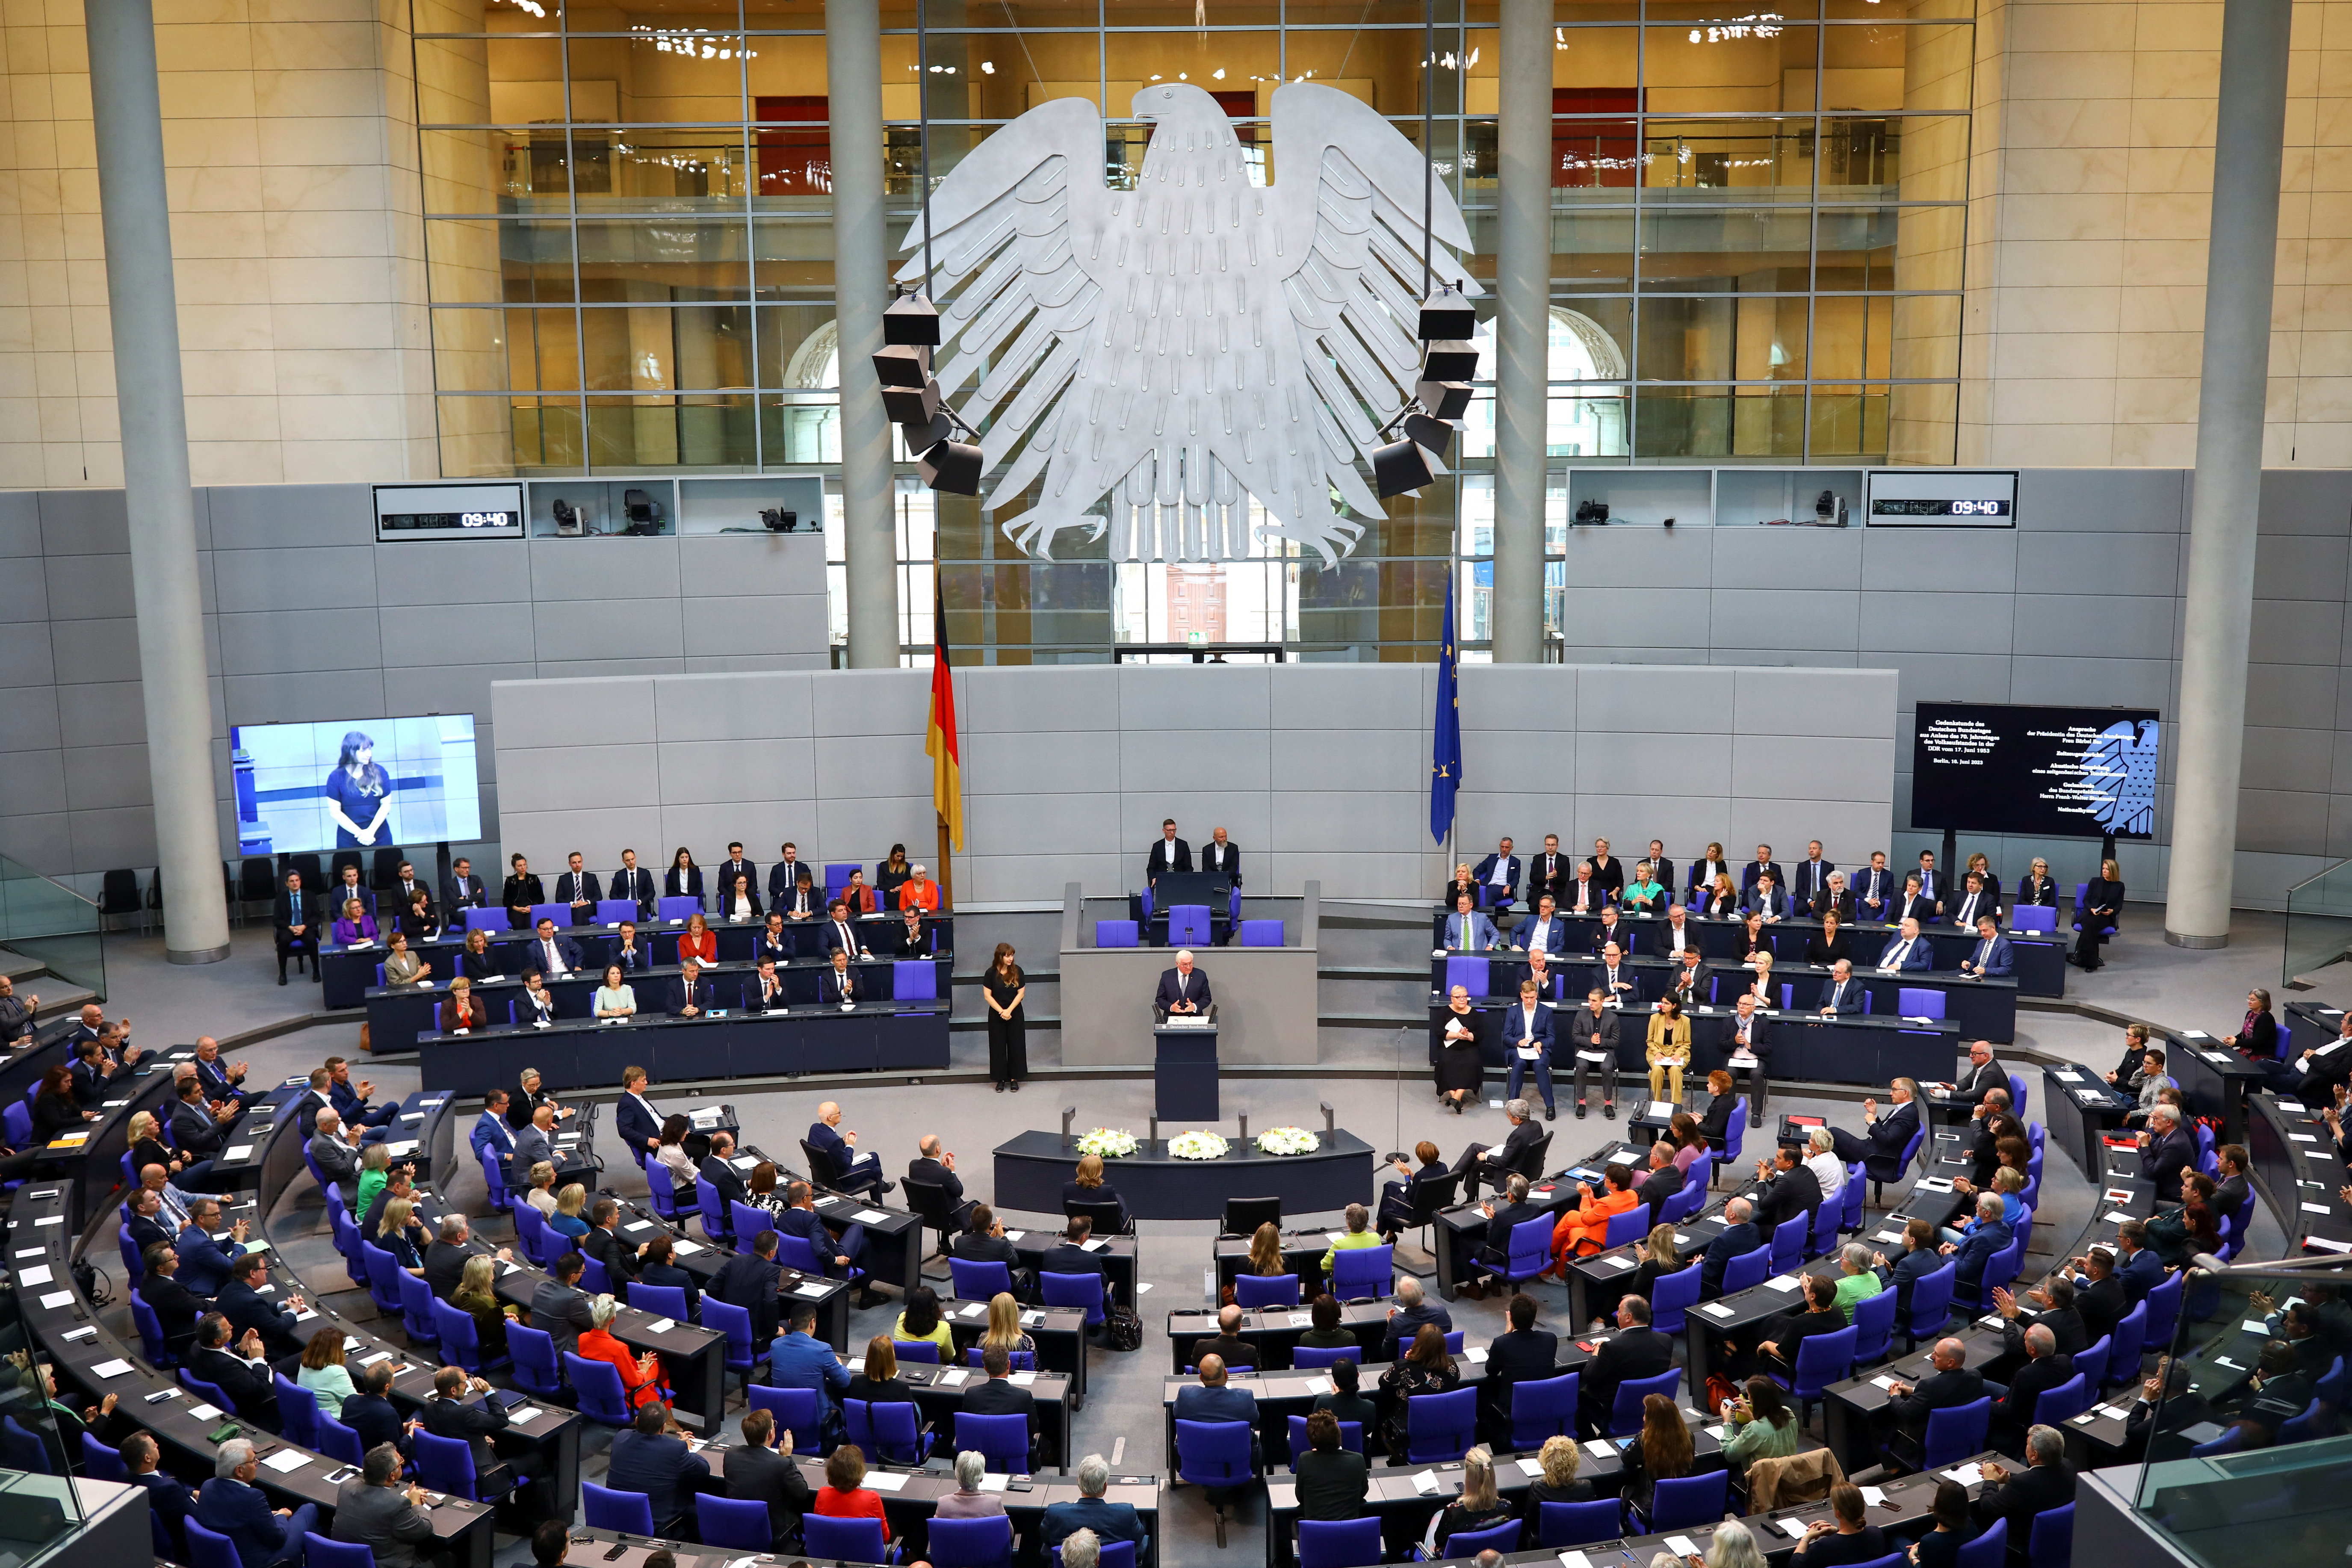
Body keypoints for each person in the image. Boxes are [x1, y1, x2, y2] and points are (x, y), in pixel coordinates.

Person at [200, 1437, 320, 1568]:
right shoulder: (252, 1497)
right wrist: (281, 1516)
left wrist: (266, 1515)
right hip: (261, 1561)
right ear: (239, 1471)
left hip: (225, 1558)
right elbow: (278, 1540)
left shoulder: (207, 1486)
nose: (257, 1464)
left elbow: (235, 1514)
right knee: (309, 1509)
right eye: (253, 1461)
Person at [333, 1442, 437, 1568]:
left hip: (348, 1561)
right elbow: (425, 1530)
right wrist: (415, 1503)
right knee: (446, 1557)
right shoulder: (397, 1504)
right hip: (384, 1564)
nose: (402, 1463)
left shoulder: (346, 1486)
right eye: (401, 1462)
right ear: (392, 1475)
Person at [1579, 1295, 1672, 1435]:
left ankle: (1588, 1441)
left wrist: (1597, 1353)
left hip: (1617, 1409)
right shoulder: (1666, 1340)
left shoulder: (1613, 1348)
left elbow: (1590, 1376)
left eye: (1619, 1311)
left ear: (1628, 1317)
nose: (1617, 1315)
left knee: (1577, 1393)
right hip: (1653, 1407)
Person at [1970, 1424, 2075, 1543]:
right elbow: (2038, 1480)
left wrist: (1990, 1480)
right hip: (2061, 1535)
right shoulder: (2069, 1466)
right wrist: (2009, 1477)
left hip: (2025, 1539)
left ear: (2035, 1455)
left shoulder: (2022, 1484)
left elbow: (1988, 1506)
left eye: (2028, 1444)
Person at [1041, 1453, 1152, 1559]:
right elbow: (1139, 1537)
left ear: (1079, 1482)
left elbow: (1046, 1539)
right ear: (1105, 1486)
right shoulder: (1126, 1514)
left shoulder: (1055, 1513)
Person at [1481, 1290, 1559, 1435]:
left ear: (1510, 1317)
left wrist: (1506, 1335)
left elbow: (1490, 1370)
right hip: (1545, 1406)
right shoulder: (1551, 1339)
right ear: (1535, 1317)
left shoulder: (1502, 1343)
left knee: (1482, 1400)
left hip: (1513, 1409)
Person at [1377, 1323, 1462, 1454]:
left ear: (1418, 1345)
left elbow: (1383, 1382)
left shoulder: (1403, 1368)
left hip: (1408, 1431)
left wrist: (1409, 1360)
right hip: (1443, 1427)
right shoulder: (1451, 1365)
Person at [1753, 1273, 1849, 1381]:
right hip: (1831, 1366)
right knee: (1780, 1319)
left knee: (1767, 1337)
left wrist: (1766, 1345)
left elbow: (1783, 1354)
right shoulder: (1839, 1313)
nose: (1806, 1289)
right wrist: (1806, 1287)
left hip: (1800, 1373)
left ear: (1813, 1296)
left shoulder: (1800, 1323)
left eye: (1808, 1288)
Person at [1421, 1445, 1513, 1555]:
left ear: (1468, 1476)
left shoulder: (1453, 1511)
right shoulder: (1507, 1507)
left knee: (1438, 1515)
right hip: (1490, 1558)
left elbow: (1439, 1541)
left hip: (1453, 1561)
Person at [1550, 1161, 1640, 1268]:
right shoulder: (1632, 1194)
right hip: (1616, 1232)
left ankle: (1560, 1274)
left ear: (1615, 1184)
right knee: (1571, 1216)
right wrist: (1592, 1200)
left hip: (1599, 1240)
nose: (1604, 1179)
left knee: (1570, 1233)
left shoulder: (1606, 1203)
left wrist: (1584, 1197)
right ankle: (1551, 1251)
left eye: (1606, 1178)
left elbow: (1586, 1219)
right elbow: (1610, 1209)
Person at [964, 1345, 1043, 1466]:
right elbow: (1034, 1429)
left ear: (985, 1368)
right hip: (1015, 1462)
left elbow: (968, 1428)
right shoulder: (1023, 1396)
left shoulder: (971, 1394)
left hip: (979, 1463)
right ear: (1009, 1365)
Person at [1454, 1096, 1542, 1201]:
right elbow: (1522, 1147)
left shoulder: (1518, 1135)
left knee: (1475, 1163)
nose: (1508, 1117)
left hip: (1512, 1171)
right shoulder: (1537, 1125)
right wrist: (1506, 1149)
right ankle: (1452, 1178)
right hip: (1527, 1166)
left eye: (1509, 1116)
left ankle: (1462, 1192)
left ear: (1517, 1118)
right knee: (1475, 1147)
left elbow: (1503, 1162)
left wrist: (1487, 1157)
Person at [1717, 1375, 1802, 1475]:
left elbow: (1730, 1455)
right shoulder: (1788, 1413)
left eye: (1748, 1395)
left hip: (1764, 1483)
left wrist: (1727, 1422)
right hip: (1788, 1476)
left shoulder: (1754, 1429)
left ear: (1754, 1399)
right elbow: (1770, 1426)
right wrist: (1750, 1415)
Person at [1790, 1482, 1887, 1567]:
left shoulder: (1824, 1547)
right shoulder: (1877, 1533)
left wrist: (1806, 1538)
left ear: (1838, 1513)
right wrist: (1837, 1531)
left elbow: (1795, 1565)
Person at [1501, 976, 1559, 1119]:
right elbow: (1506, 1037)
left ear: (1537, 995)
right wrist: (1518, 1042)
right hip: (1518, 1050)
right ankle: (1513, 1106)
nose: (1529, 1001)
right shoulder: (1512, 1012)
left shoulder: (1546, 1011)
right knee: (1519, 1064)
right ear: (1521, 995)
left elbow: (1551, 1038)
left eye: (1532, 998)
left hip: (1538, 1049)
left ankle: (1550, 1106)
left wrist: (1542, 1044)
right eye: (1526, 997)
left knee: (1540, 1065)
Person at [1376, 1143, 1450, 1240]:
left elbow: (1410, 1196)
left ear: (1421, 1159)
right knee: (1391, 1187)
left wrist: (1407, 1176)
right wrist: (1414, 1178)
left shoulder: (1421, 1176)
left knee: (1388, 1194)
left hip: (1417, 1214)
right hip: (1437, 1207)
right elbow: (1431, 1184)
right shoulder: (1443, 1167)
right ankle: (1390, 1233)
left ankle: (1380, 1232)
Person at [1435, 984, 1486, 1113]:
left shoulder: (1474, 1013)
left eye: (1465, 997)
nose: (1462, 999)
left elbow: (1481, 1034)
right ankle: (1456, 1098)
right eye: (1458, 997)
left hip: (1469, 1047)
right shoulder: (1444, 1012)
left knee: (1473, 1063)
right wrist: (1457, 1035)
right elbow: (1439, 1032)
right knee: (1445, 1063)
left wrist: (1467, 1036)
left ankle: (1456, 1097)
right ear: (1452, 999)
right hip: (1449, 1047)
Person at [1379, 1275, 1453, 1360]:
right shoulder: (1441, 1312)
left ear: (1401, 1300)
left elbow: (1387, 1354)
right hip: (1438, 1360)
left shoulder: (1396, 1323)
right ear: (1422, 1293)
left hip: (1410, 1363)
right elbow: (1448, 1332)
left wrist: (1391, 1325)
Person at [2073, 857, 2124, 970]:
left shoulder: (2120, 886)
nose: (2104, 871)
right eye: (2103, 869)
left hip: (2106, 916)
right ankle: (2092, 962)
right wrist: (2092, 909)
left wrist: (2112, 911)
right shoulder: (2095, 881)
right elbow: (2086, 900)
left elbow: (2119, 904)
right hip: (2090, 913)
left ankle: (2079, 954)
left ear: (2113, 871)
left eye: (2107, 869)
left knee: (2091, 926)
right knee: (2091, 925)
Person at [1065, 1151, 1128, 1230]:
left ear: (1080, 1169)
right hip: (1108, 1230)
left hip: (1080, 1229)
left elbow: (1068, 1211)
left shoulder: (1068, 1187)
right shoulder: (1107, 1191)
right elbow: (1119, 1211)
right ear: (1099, 1172)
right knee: (1120, 1199)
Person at [273, 870, 316, 985]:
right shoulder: (281, 898)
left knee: (312, 940)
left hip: (306, 927)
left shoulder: (310, 896)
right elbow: (277, 920)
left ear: (300, 882)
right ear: (287, 884)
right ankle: (283, 974)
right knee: (282, 942)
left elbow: (317, 916)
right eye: (292, 881)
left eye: (297, 881)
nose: (295, 883)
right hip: (289, 928)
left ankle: (316, 971)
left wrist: (304, 926)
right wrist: (291, 928)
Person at [1646, 996, 1692, 1105]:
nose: (1663, 1005)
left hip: (1678, 1053)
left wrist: (1678, 1054)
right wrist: (1657, 1052)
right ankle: (1657, 1102)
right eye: (1662, 1002)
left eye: (1667, 1003)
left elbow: (1687, 1043)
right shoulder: (1655, 1018)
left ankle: (1676, 1105)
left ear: (1674, 1006)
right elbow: (1650, 1041)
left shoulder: (1685, 1021)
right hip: (1656, 1052)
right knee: (1657, 1070)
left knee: (1675, 1071)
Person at [895, 1285, 954, 1357]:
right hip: (933, 1368)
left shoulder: (902, 1317)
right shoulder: (944, 1328)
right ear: (934, 1307)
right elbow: (950, 1356)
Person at [1156, 948, 1211, 1015]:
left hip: (1194, 1019)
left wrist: (1195, 1006)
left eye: (1190, 963)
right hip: (1172, 1018)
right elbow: (1160, 999)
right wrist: (1171, 1007)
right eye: (1185, 964)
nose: (1188, 967)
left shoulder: (1200, 976)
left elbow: (1207, 998)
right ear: (1177, 964)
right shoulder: (1167, 976)